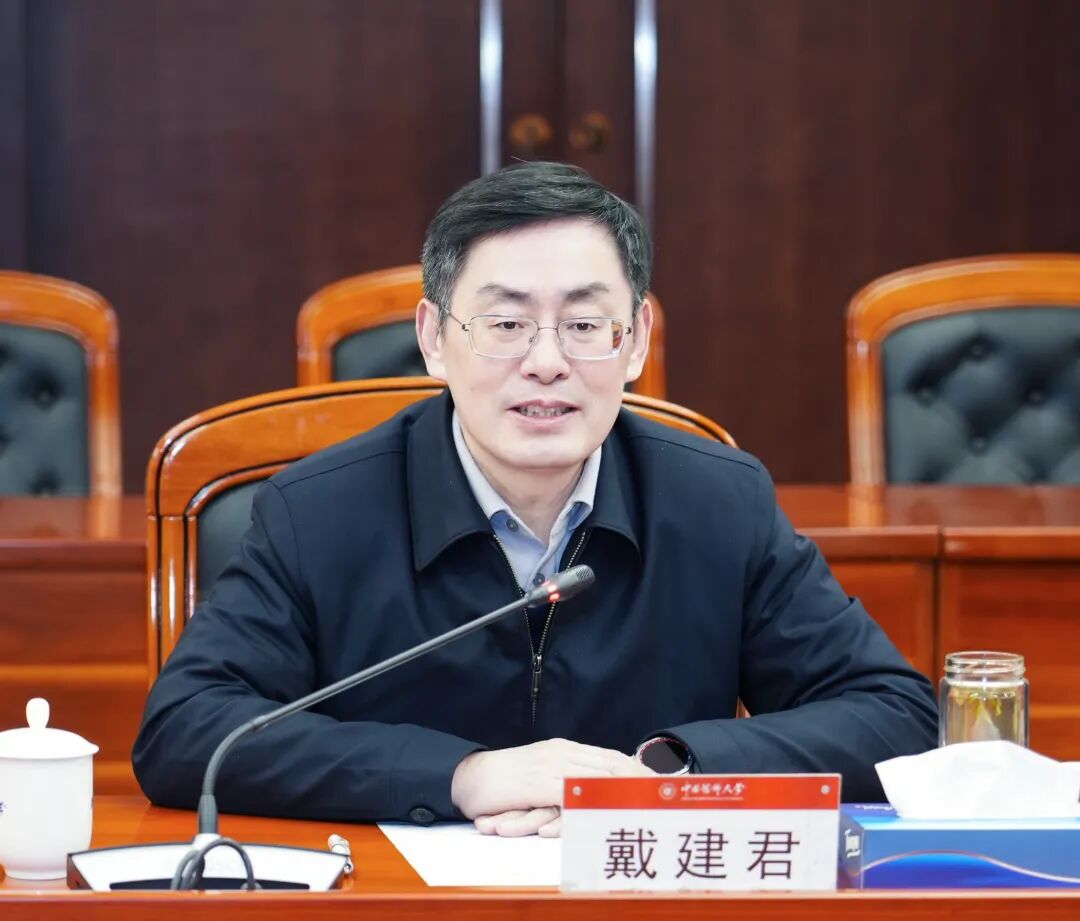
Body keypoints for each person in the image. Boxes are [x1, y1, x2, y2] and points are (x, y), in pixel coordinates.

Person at [133, 162, 937, 838]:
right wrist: (463, 775)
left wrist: (669, 770)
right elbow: (186, 729)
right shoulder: (319, 512)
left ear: (636, 341)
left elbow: (897, 715)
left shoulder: (718, 502)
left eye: (585, 324)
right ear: (434, 338)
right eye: (506, 323)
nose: (547, 361)